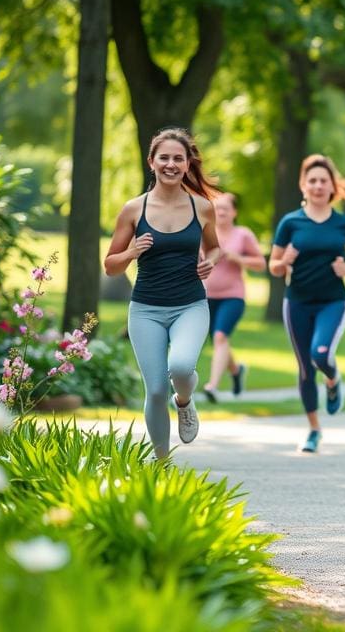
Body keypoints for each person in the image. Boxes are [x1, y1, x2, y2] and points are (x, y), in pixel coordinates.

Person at [104, 127, 221, 460]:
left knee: (182, 367)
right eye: (164, 158)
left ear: (187, 165)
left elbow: (215, 249)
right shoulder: (132, 210)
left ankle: (183, 401)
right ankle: (162, 463)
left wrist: (208, 263)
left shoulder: (202, 207)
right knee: (155, 390)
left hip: (190, 305)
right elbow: (110, 265)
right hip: (145, 310)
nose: (171, 164)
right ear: (151, 162)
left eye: (178, 158)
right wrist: (131, 253)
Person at [268, 154, 345, 454]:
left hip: (333, 301)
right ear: (303, 185)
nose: (317, 185)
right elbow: (273, 265)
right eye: (311, 180)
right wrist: (282, 262)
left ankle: (333, 377)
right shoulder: (290, 223)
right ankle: (314, 429)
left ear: (332, 186)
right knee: (304, 368)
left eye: (323, 180)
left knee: (320, 353)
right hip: (297, 302)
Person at [201, 192, 266, 403]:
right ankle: (236, 371)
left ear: (234, 212)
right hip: (206, 297)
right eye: (217, 208)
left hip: (233, 297)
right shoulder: (205, 233)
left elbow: (260, 263)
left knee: (220, 337)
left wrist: (235, 257)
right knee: (220, 341)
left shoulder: (243, 234)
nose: (220, 212)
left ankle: (212, 386)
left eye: (225, 209)